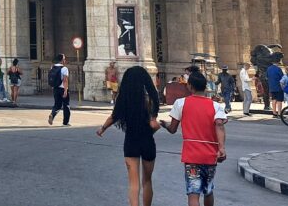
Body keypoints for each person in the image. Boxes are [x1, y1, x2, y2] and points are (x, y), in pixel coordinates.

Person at [96, 66, 162, 206]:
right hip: (147, 142)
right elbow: (153, 125)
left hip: (131, 141)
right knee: (147, 181)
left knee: (133, 183)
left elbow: (113, 117)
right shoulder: (151, 99)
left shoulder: (125, 97)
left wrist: (102, 129)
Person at [160, 71, 228, 206]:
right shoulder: (215, 106)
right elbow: (219, 124)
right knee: (208, 190)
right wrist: (221, 148)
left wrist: (165, 125)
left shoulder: (181, 103)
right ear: (205, 86)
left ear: (190, 86)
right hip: (210, 155)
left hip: (192, 156)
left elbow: (173, 129)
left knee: (193, 193)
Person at [48, 53, 71, 126]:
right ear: (61, 60)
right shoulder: (64, 68)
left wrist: (53, 86)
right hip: (62, 88)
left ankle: (52, 114)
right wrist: (65, 90)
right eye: (64, 59)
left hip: (55, 88)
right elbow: (65, 80)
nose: (65, 60)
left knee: (57, 104)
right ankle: (65, 122)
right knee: (66, 105)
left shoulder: (52, 67)